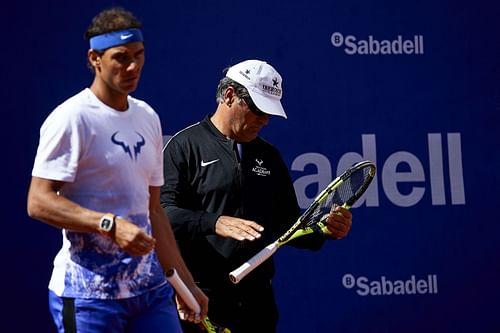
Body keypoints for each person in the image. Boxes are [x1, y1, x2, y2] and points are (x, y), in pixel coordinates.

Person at [27, 7, 207, 333]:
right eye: (121, 58)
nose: (133, 66)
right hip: (87, 296)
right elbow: (38, 201)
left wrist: (185, 283)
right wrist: (109, 225)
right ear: (95, 58)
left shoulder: (148, 117)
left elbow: (154, 211)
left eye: (139, 55)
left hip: (149, 294)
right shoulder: (72, 118)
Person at [160, 59, 353, 333]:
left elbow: (287, 224)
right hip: (199, 302)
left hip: (257, 305)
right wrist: (213, 222)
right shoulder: (183, 147)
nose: (264, 120)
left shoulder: (269, 156)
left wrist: (325, 230)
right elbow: (162, 214)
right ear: (229, 96)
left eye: (269, 113)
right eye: (258, 109)